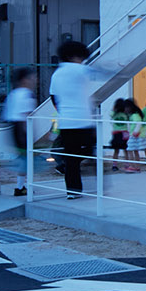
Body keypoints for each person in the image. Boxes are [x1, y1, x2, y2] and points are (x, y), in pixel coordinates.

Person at [48, 41, 96, 199]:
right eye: (81, 57)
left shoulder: (57, 73)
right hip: (83, 120)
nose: (82, 60)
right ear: (74, 56)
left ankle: (73, 191)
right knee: (89, 151)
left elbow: (53, 97)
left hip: (66, 122)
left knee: (71, 160)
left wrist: (63, 111)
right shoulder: (79, 69)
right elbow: (101, 72)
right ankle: (90, 186)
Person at [1, 67, 37, 196]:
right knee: (27, 159)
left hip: (13, 127)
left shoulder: (13, 93)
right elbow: (27, 115)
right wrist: (30, 134)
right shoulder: (27, 94)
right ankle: (20, 185)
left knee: (23, 158)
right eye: (32, 78)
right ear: (24, 80)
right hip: (22, 128)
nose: (34, 81)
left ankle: (20, 186)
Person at [123, 99, 145, 173]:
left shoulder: (134, 115)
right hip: (134, 135)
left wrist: (135, 132)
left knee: (130, 150)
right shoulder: (134, 115)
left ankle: (132, 166)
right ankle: (136, 166)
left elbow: (138, 123)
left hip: (134, 136)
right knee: (135, 151)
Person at [109, 99, 131, 171]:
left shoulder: (118, 114)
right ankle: (121, 164)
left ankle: (118, 164)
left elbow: (110, 113)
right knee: (122, 149)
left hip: (120, 133)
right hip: (121, 133)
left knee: (120, 150)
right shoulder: (121, 114)